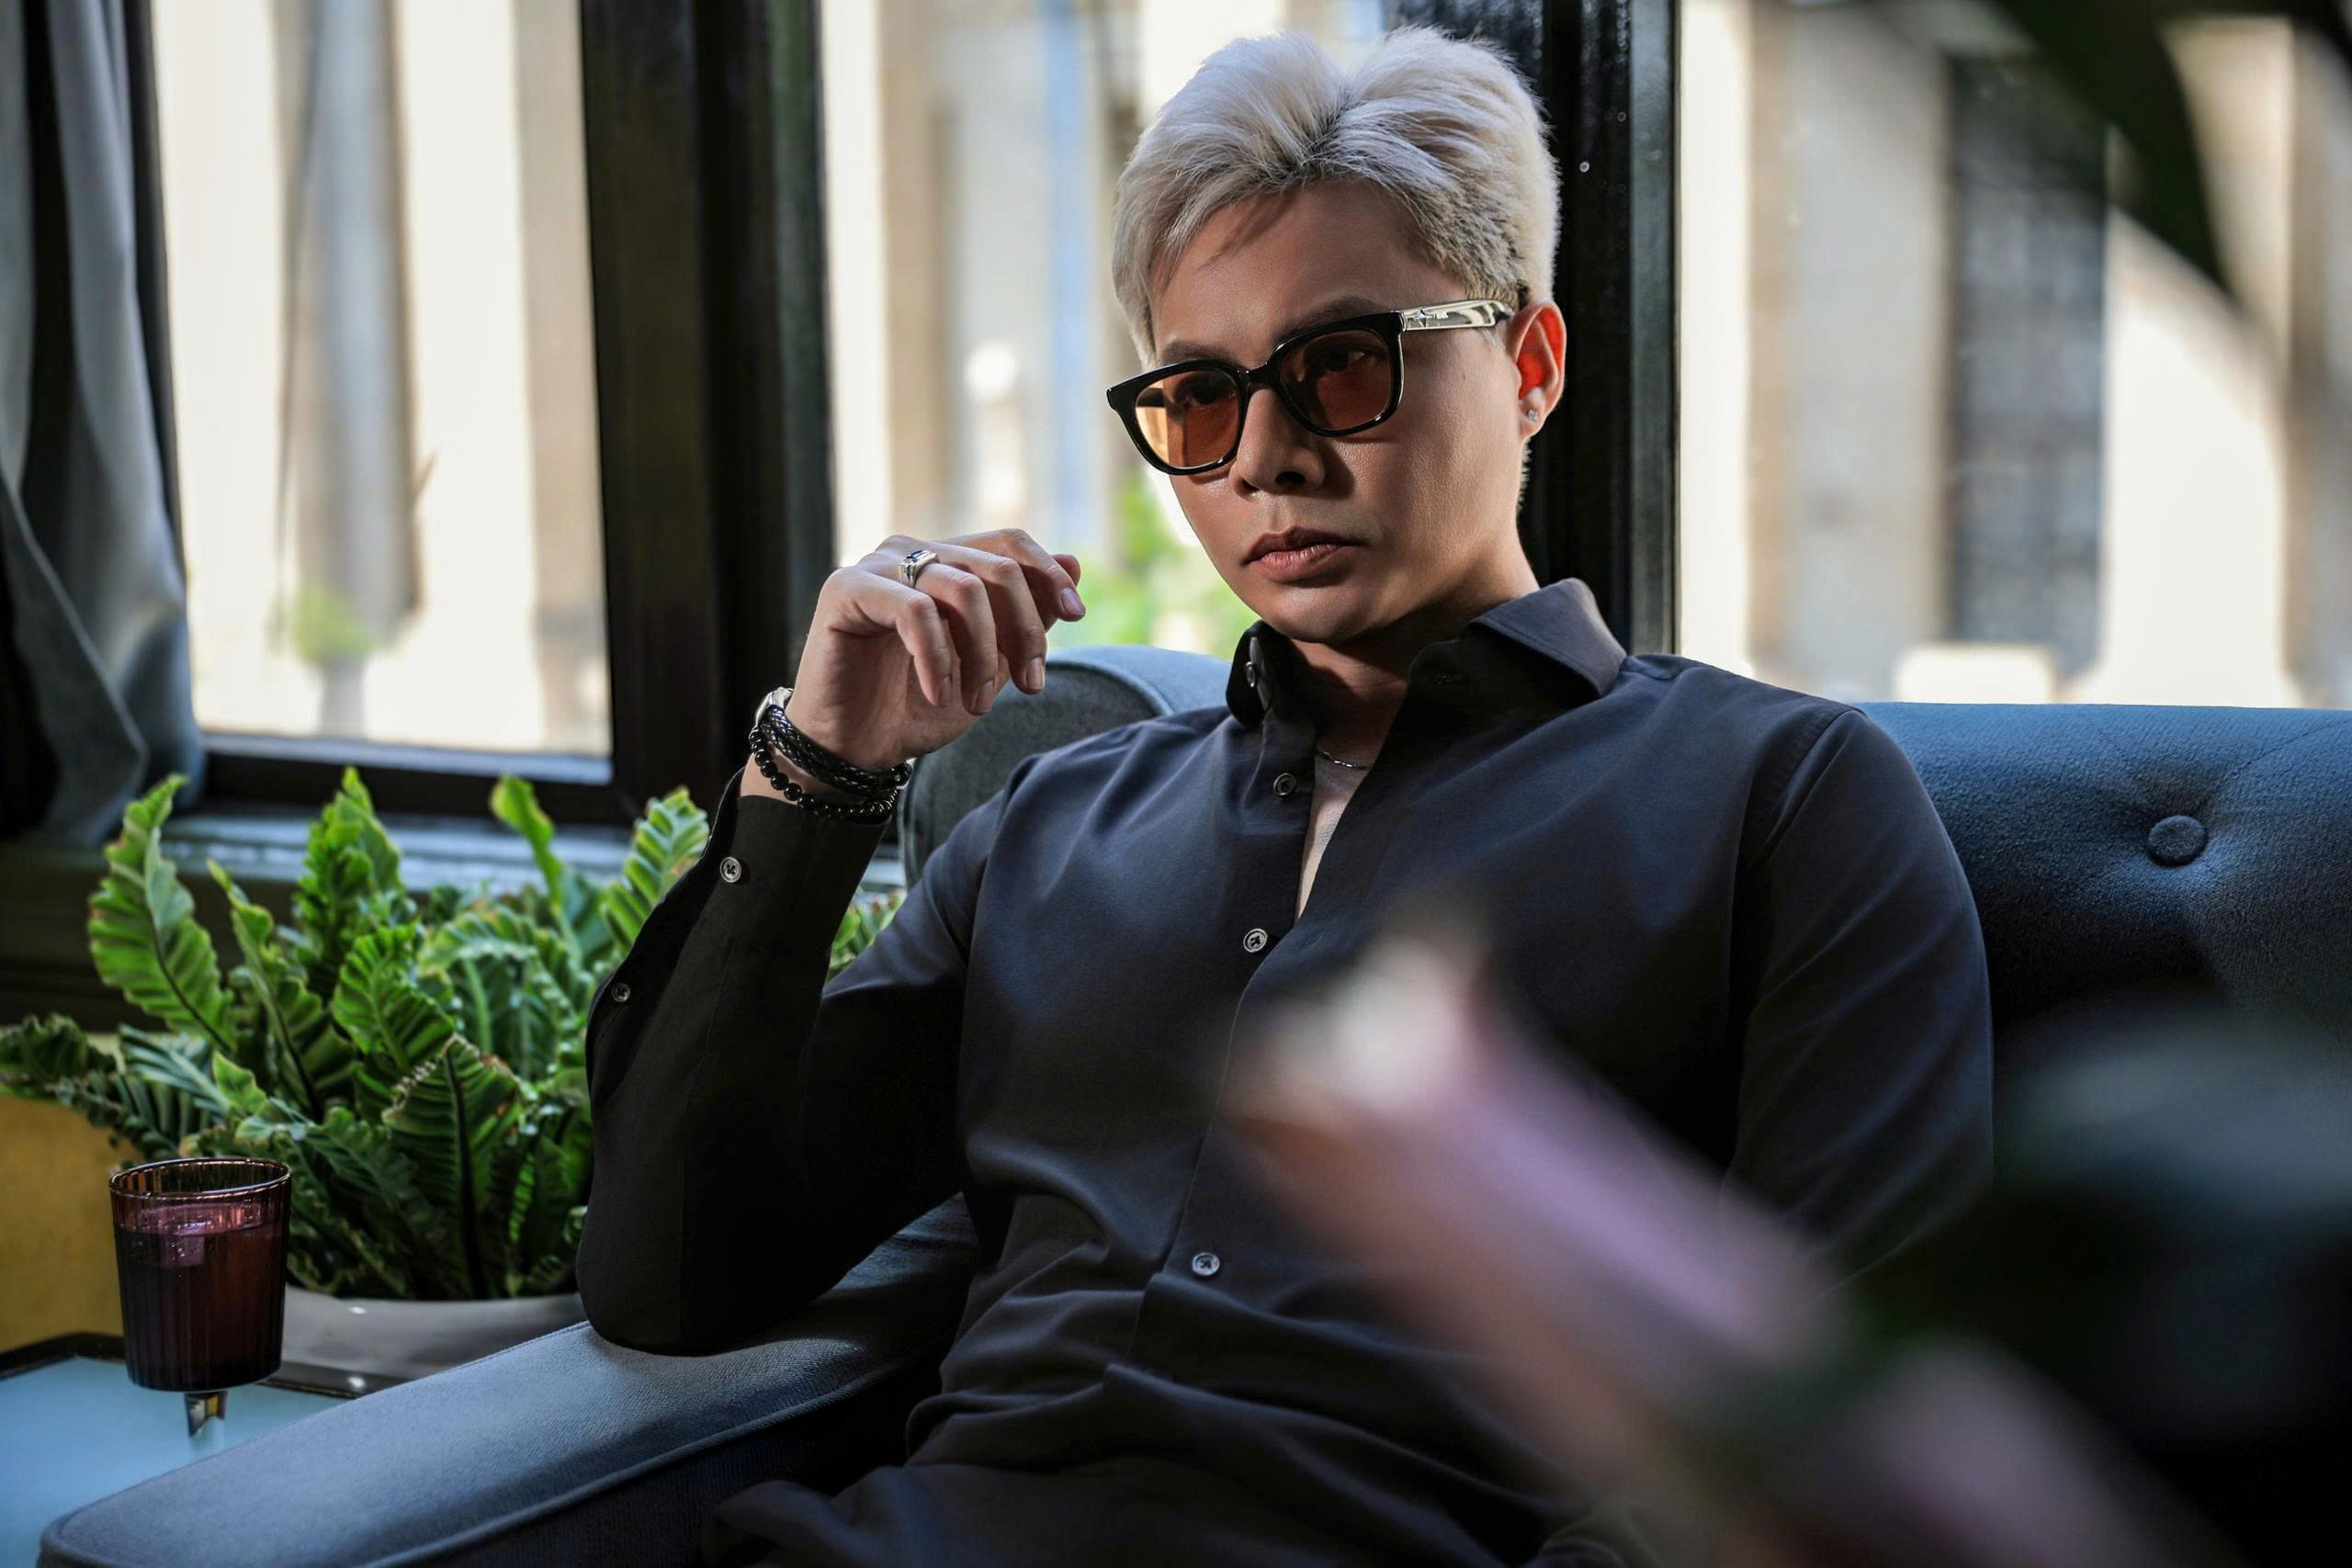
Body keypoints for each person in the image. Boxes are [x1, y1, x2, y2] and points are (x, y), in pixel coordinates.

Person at [575, 25, 1993, 1567]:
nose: (1265, 458)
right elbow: (671, 1280)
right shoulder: (1047, 829)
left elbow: (1828, 1426)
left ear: (1530, 366)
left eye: (1342, 366)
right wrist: (822, 765)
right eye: (1200, 397)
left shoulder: (1782, 802)